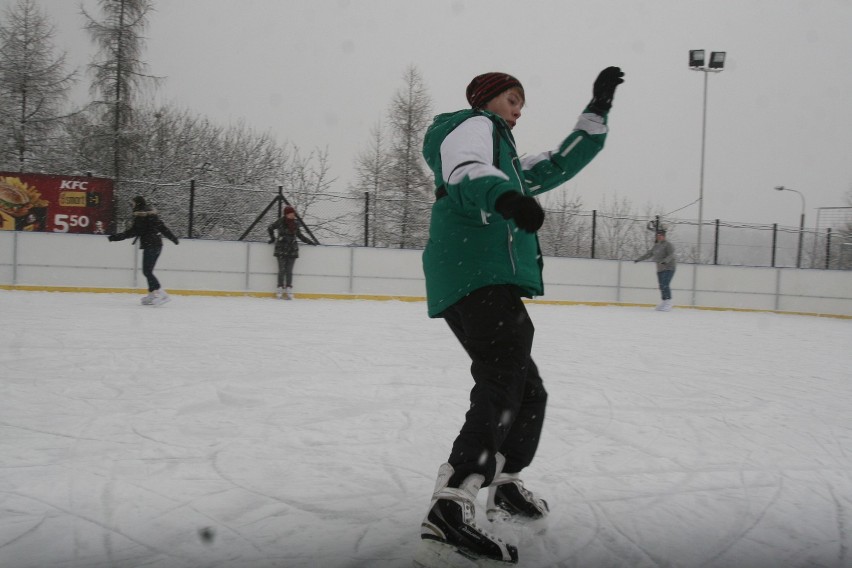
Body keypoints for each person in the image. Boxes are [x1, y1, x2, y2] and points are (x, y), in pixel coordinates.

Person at [416, 67, 624, 565]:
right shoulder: (471, 127)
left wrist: (596, 111)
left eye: (520, 101)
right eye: (512, 98)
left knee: (527, 388)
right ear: (487, 99)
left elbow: (556, 163)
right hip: (474, 270)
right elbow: (466, 171)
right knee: (505, 376)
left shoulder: (503, 155)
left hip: (478, 274)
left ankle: (503, 482)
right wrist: (507, 198)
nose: (519, 108)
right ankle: (453, 501)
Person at [108, 196, 179, 305]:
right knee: (148, 271)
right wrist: (173, 238)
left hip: (150, 245)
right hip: (157, 245)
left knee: (147, 271)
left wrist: (116, 237)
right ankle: (151, 295)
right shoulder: (152, 216)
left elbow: (133, 232)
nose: (132, 206)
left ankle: (162, 294)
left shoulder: (140, 216)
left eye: (133, 203)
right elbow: (162, 228)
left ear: (137, 204)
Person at [267, 205, 314, 299]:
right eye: (290, 214)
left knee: (289, 271)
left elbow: (300, 235)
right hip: (281, 249)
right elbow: (270, 228)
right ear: (286, 214)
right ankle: (280, 288)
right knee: (281, 270)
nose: (292, 215)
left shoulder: (295, 223)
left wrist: (309, 241)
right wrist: (272, 239)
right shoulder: (280, 221)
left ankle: (289, 288)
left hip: (292, 249)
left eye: (293, 213)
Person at [634, 227, 677, 311]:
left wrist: (665, 261)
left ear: (664, 236)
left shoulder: (668, 244)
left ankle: (669, 302)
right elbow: (649, 254)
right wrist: (639, 259)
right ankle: (664, 302)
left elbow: (671, 255)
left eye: (661, 235)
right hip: (660, 269)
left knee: (665, 284)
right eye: (658, 235)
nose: (659, 237)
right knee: (661, 286)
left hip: (669, 267)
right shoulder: (656, 246)